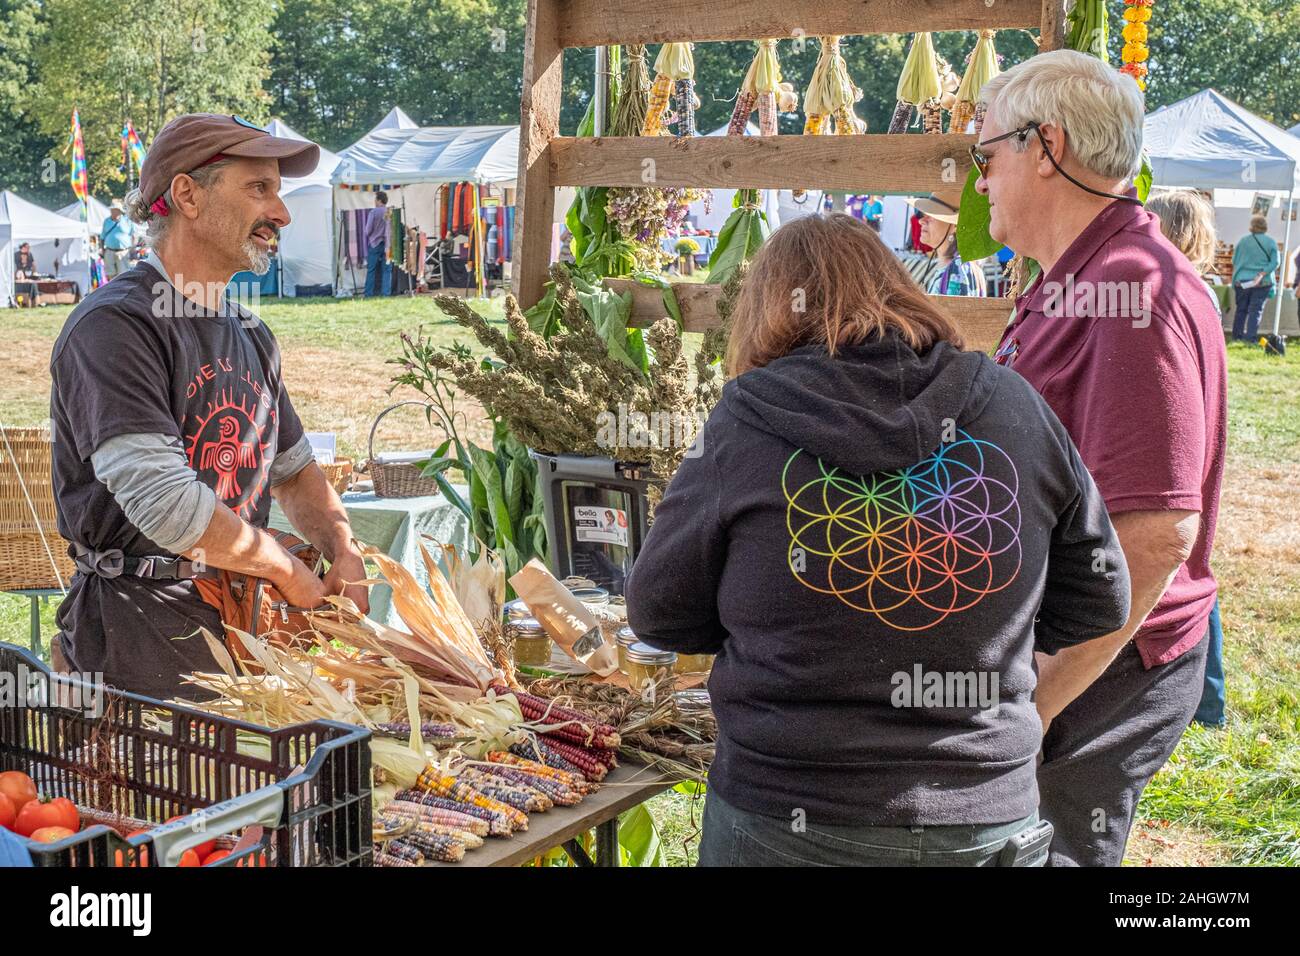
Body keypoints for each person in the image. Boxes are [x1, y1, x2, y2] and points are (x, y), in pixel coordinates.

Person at [627, 212, 1131, 867]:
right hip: (984, 817)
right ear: (898, 287)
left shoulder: (744, 419)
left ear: (766, 310)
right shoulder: (1015, 405)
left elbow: (659, 610)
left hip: (787, 812)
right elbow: (1100, 598)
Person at [974, 50, 1227, 866]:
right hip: (1068, 650)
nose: (978, 180)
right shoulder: (1082, 274)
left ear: (1044, 147)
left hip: (1097, 673)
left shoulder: (1131, 292)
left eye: (986, 154)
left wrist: (1038, 703)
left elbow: (1155, 536)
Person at [48, 113, 369, 702]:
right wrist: (283, 569)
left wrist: (342, 548)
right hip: (137, 645)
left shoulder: (251, 333)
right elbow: (165, 504)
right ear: (188, 195)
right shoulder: (116, 325)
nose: (282, 213)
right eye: (259, 188)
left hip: (238, 635)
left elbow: (294, 473)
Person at [1144, 189, 1228, 730]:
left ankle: (1208, 697)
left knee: (1187, 567)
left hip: (1189, 438)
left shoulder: (1180, 293)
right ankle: (1209, 700)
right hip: (1200, 436)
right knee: (1193, 565)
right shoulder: (1200, 291)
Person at [910, 188, 987, 296]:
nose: (921, 220)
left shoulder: (957, 268)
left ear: (955, 226)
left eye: (932, 216)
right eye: (924, 214)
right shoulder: (956, 265)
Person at [1229, 215, 1280, 342]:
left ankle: (1237, 337)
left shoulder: (1242, 241)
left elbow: (1234, 260)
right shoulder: (1270, 242)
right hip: (1262, 281)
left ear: (1252, 226)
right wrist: (1263, 273)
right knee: (1255, 311)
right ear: (1265, 227)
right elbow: (1276, 262)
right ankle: (1250, 338)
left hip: (1242, 280)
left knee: (1241, 310)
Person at [363, 191, 390, 297]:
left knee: (371, 270)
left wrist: (372, 235)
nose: (374, 202)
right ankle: (386, 294)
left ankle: (368, 294)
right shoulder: (390, 212)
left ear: (379, 200)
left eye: (375, 199)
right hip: (388, 245)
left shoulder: (373, 212)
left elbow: (367, 230)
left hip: (375, 244)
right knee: (387, 270)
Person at [100, 200, 134, 280]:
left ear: (119, 211)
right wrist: (103, 251)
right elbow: (102, 237)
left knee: (124, 276)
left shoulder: (127, 221)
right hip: (109, 252)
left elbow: (133, 236)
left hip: (123, 252)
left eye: (114, 209)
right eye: (111, 209)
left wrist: (131, 249)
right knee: (110, 275)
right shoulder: (106, 221)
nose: (112, 211)